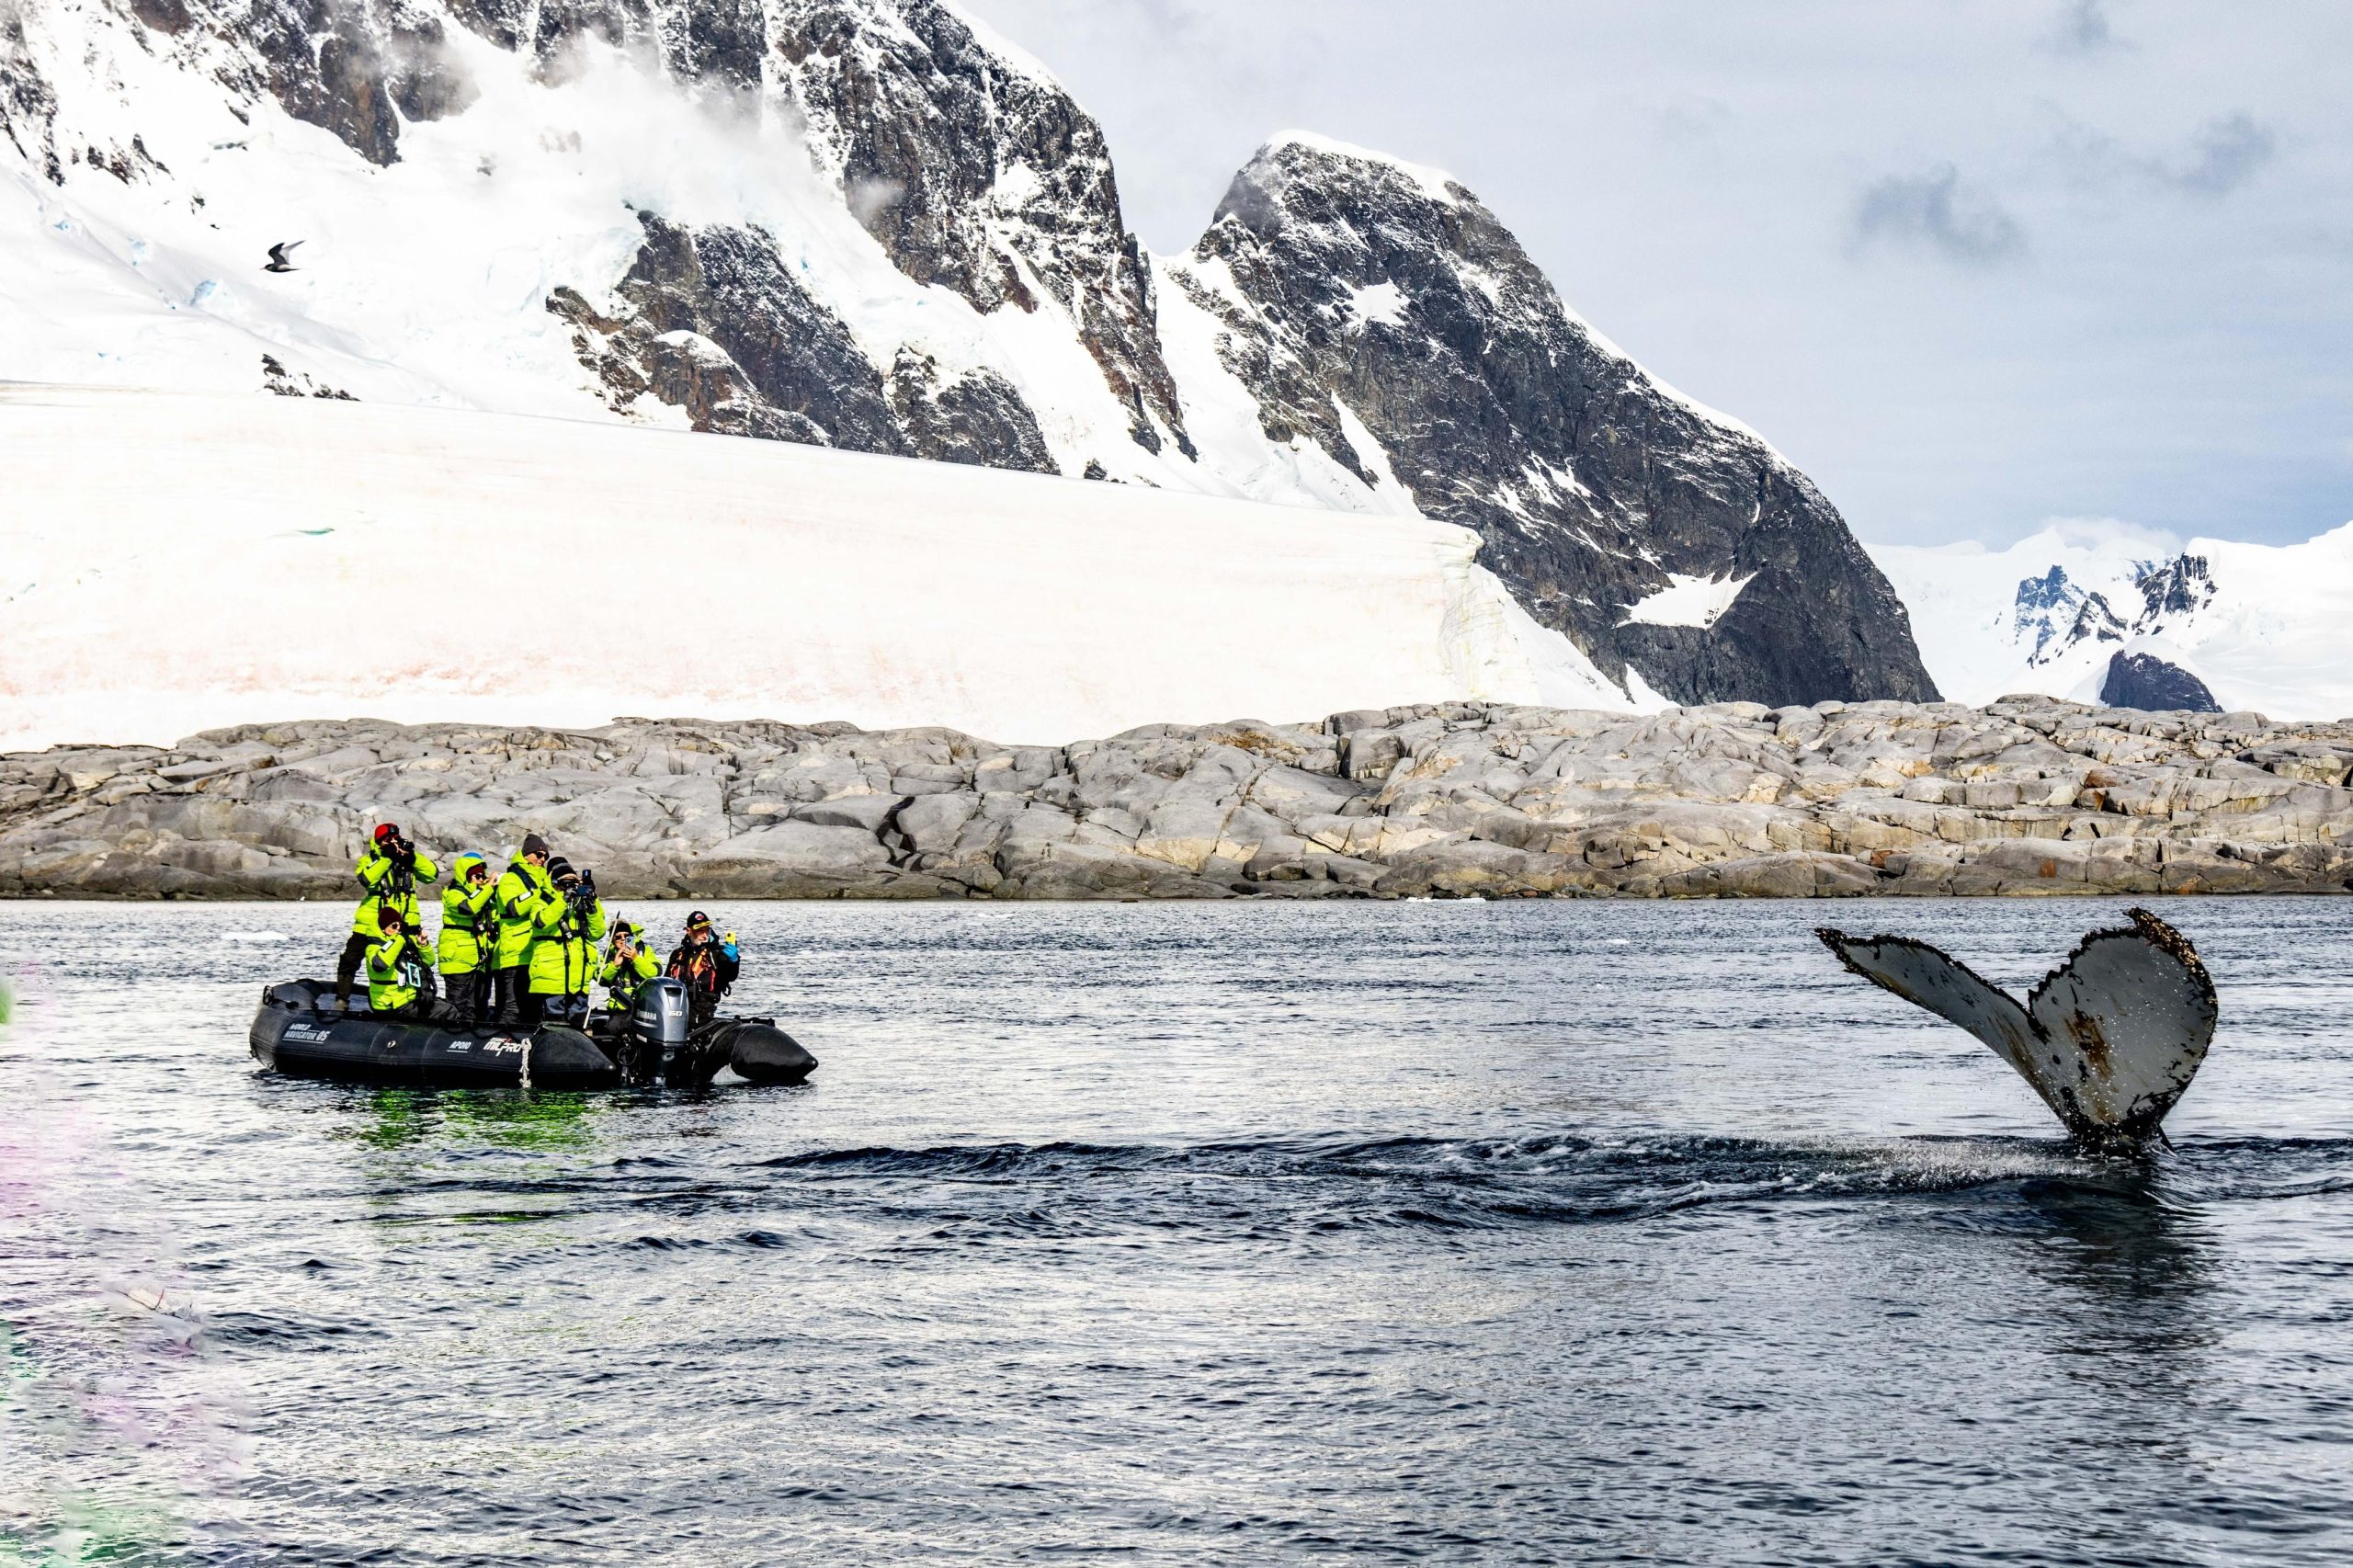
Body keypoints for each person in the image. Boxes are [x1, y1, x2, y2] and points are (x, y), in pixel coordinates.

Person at [334, 823, 438, 1012]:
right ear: (379, 842)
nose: (393, 842)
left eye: (395, 838)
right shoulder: (370, 859)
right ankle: (342, 1000)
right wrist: (387, 858)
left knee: (414, 961)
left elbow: (432, 874)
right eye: (388, 840)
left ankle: (416, 999)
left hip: (404, 922)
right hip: (371, 922)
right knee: (350, 960)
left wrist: (412, 857)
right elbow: (367, 879)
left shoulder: (408, 859)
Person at [523, 858, 606, 1028]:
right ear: (555, 884)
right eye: (566, 884)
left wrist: (592, 903)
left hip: (579, 979)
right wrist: (564, 899)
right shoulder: (542, 901)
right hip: (552, 978)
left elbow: (597, 933)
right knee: (554, 1023)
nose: (571, 888)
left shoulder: (580, 906)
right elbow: (540, 922)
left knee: (579, 1022)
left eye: (574, 883)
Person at [490, 834, 554, 1025]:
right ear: (526, 854)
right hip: (515, 954)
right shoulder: (511, 879)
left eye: (545, 856)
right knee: (512, 1007)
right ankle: (500, 1039)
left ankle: (529, 1040)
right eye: (538, 855)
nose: (542, 859)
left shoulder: (544, 880)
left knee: (534, 1008)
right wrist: (542, 892)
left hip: (536, 954)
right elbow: (513, 908)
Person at [437, 852, 497, 1026]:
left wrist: (494, 892)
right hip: (458, 960)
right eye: (477, 876)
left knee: (479, 1004)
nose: (481, 880)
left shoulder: (483, 897)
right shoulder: (453, 893)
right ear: (466, 876)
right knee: (461, 1006)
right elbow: (468, 907)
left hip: (477, 959)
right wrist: (487, 889)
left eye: (483, 876)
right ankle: (456, 1035)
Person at [665, 911, 740, 1031]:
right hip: (674, 1009)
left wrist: (733, 961)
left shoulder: (717, 954)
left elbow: (731, 976)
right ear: (688, 931)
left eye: (707, 930)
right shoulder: (678, 954)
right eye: (699, 931)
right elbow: (665, 980)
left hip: (702, 1012)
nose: (704, 935)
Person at [363, 904, 438, 1021]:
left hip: (408, 999)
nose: (398, 929)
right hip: (390, 1004)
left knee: (445, 1007)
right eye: (394, 926)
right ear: (383, 928)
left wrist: (423, 944)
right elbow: (380, 964)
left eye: (400, 925)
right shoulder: (373, 947)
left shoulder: (403, 942)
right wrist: (400, 938)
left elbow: (429, 962)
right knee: (448, 1011)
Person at [598, 919, 661, 1017]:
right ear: (612, 940)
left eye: (627, 936)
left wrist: (636, 959)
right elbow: (601, 979)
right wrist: (615, 965)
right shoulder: (609, 954)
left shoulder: (645, 950)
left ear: (632, 937)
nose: (623, 939)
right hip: (619, 1007)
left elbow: (655, 973)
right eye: (618, 937)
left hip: (642, 1006)